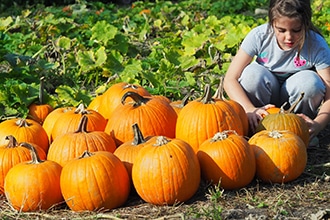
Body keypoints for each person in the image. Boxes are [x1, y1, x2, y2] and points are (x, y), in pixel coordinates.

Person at [223, 0, 330, 146]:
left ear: (305, 25)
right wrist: (249, 109)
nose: (289, 37)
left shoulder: (316, 45)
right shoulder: (259, 36)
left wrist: (318, 124)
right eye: (281, 30)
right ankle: (257, 126)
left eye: (296, 30)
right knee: (251, 75)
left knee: (310, 82)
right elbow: (230, 79)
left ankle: (300, 130)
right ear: (272, 23)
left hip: (296, 97)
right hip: (265, 99)